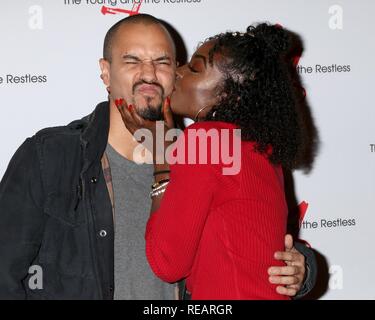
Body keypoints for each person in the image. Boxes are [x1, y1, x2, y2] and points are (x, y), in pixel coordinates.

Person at [0, 14, 315, 299]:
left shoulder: (203, 151)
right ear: (106, 73)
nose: (149, 73)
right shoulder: (51, 156)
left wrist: (302, 267)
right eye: (132, 60)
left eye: (163, 61)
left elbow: (246, 235)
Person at [117, 22, 315, 299]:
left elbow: (167, 264)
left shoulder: (206, 139)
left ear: (227, 95)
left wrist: (161, 160)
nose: (176, 73)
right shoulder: (260, 150)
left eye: (193, 69)